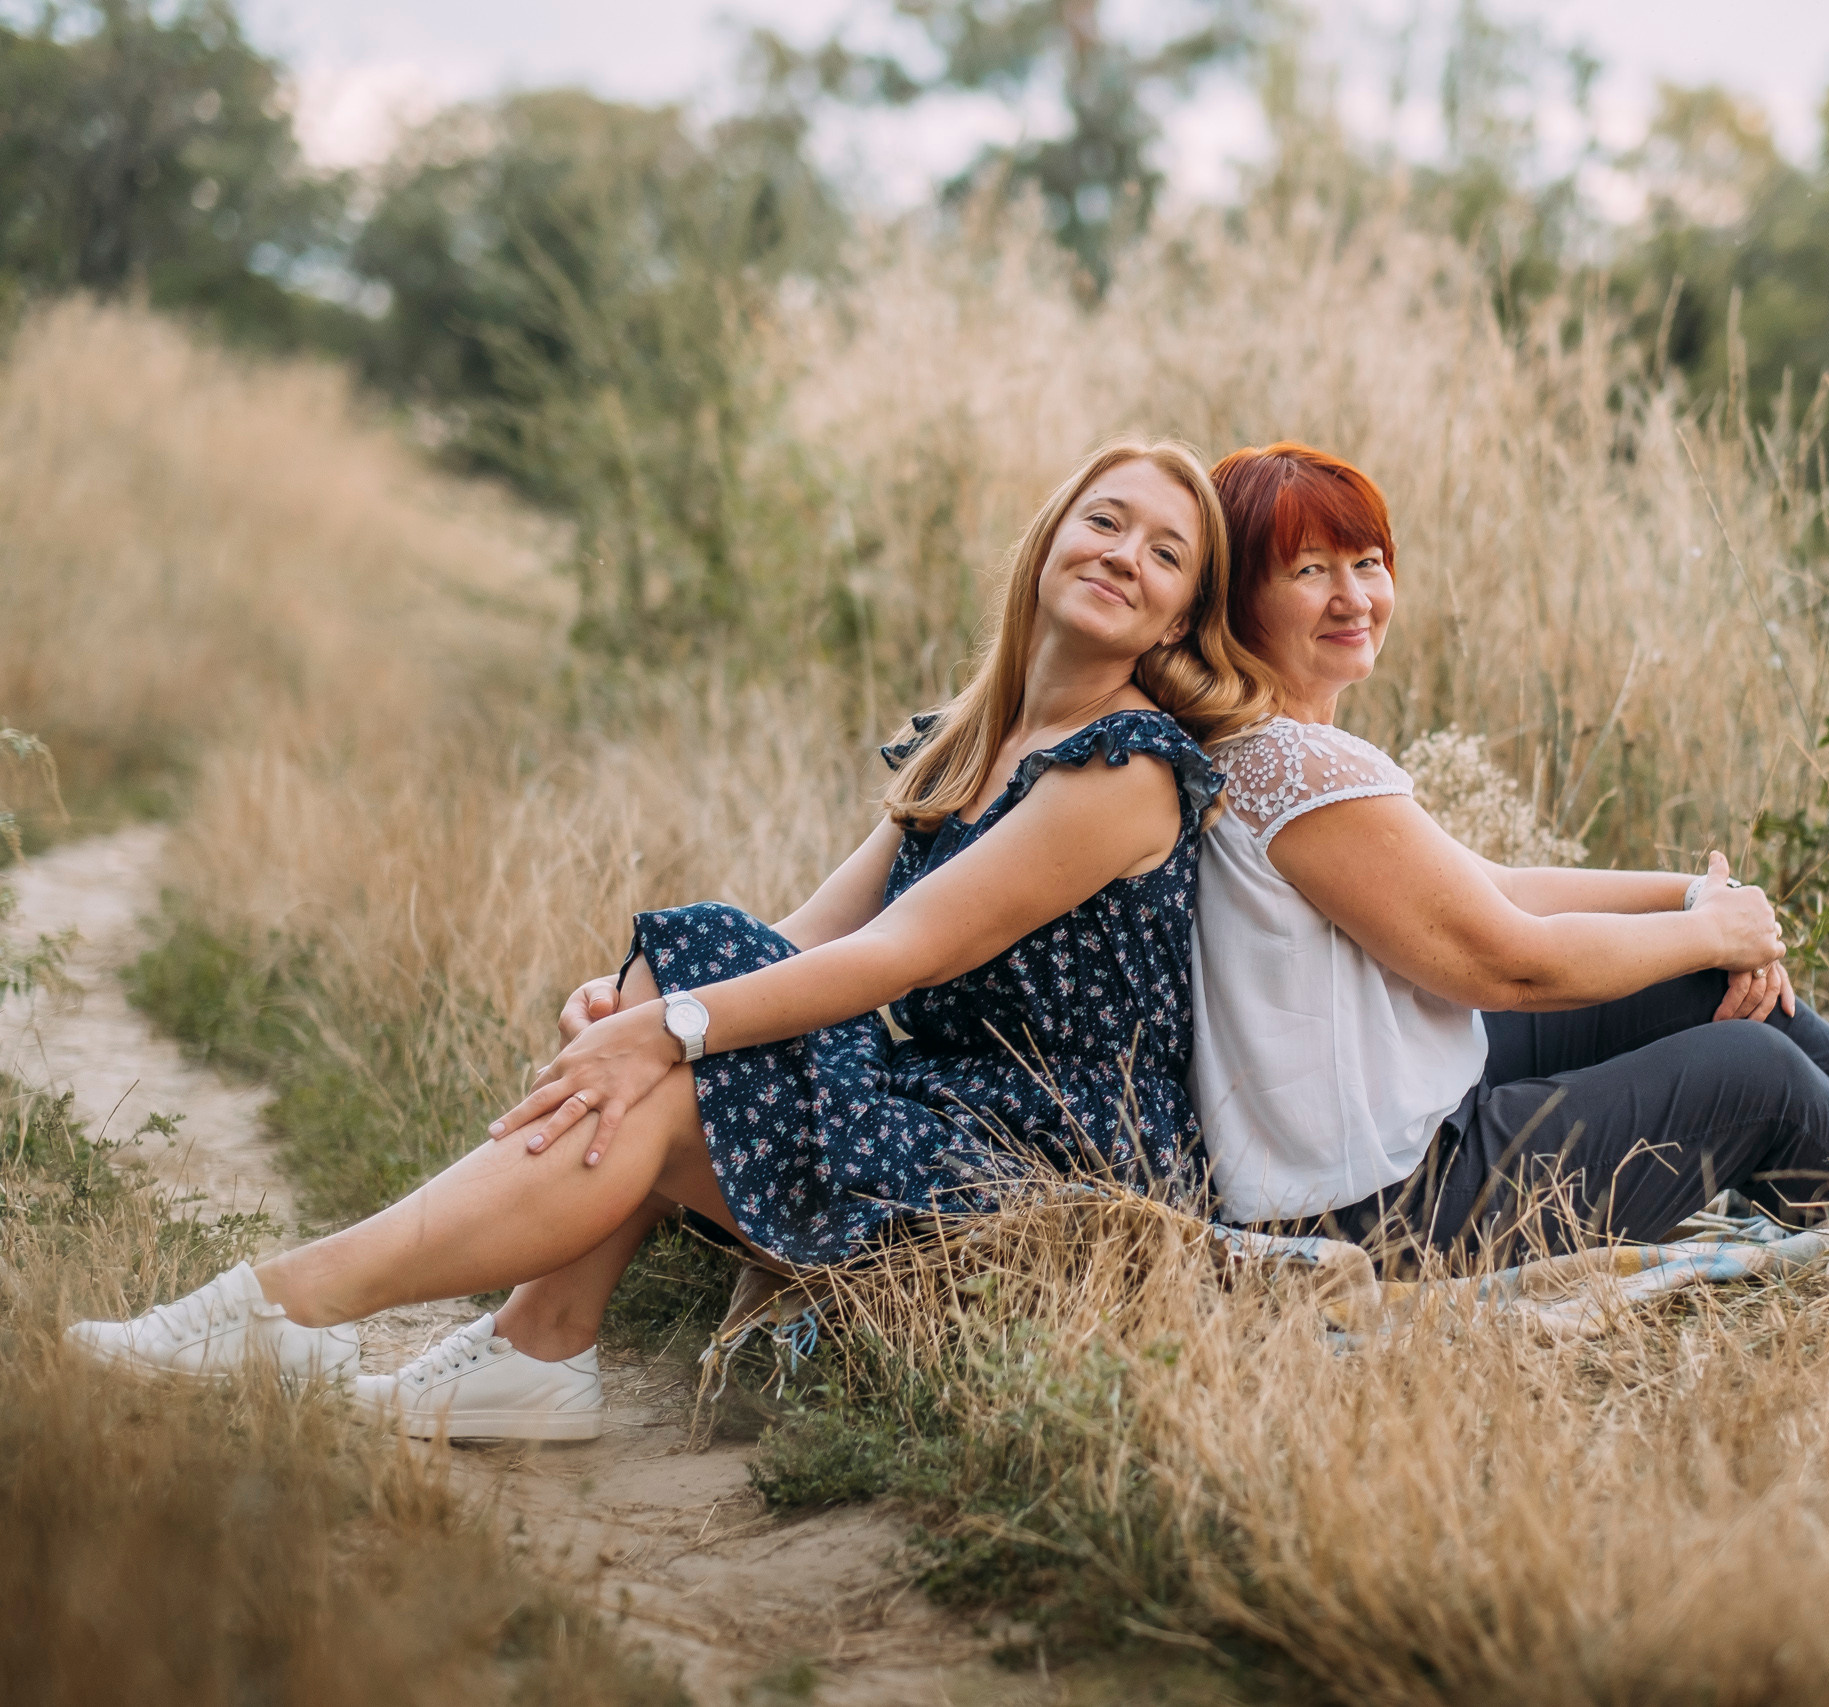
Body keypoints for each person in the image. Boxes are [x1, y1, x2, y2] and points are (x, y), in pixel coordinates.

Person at [68, 436, 1264, 1438]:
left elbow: (899, 958)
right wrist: (636, 996)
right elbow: (798, 940)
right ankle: (525, 1350)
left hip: (1042, 1159)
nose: (1125, 557)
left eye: (1166, 555)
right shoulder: (975, 736)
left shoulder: (1122, 770)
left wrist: (666, 1029)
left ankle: (294, 1310)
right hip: (936, 1093)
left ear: (1178, 617)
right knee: (698, 950)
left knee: (681, 1070)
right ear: (1051, 537)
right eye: (1106, 522)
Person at [1192, 442, 1829, 1268]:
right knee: (1752, 1074)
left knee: (1688, 991)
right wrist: (1710, 931)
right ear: (1242, 597)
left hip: (1380, 1131)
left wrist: (1697, 903)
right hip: (1380, 1208)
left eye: (1367, 561)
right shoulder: (1294, 766)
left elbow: (1500, 887)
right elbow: (1510, 963)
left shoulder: (1270, 749)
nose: (1354, 596)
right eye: (1312, 570)